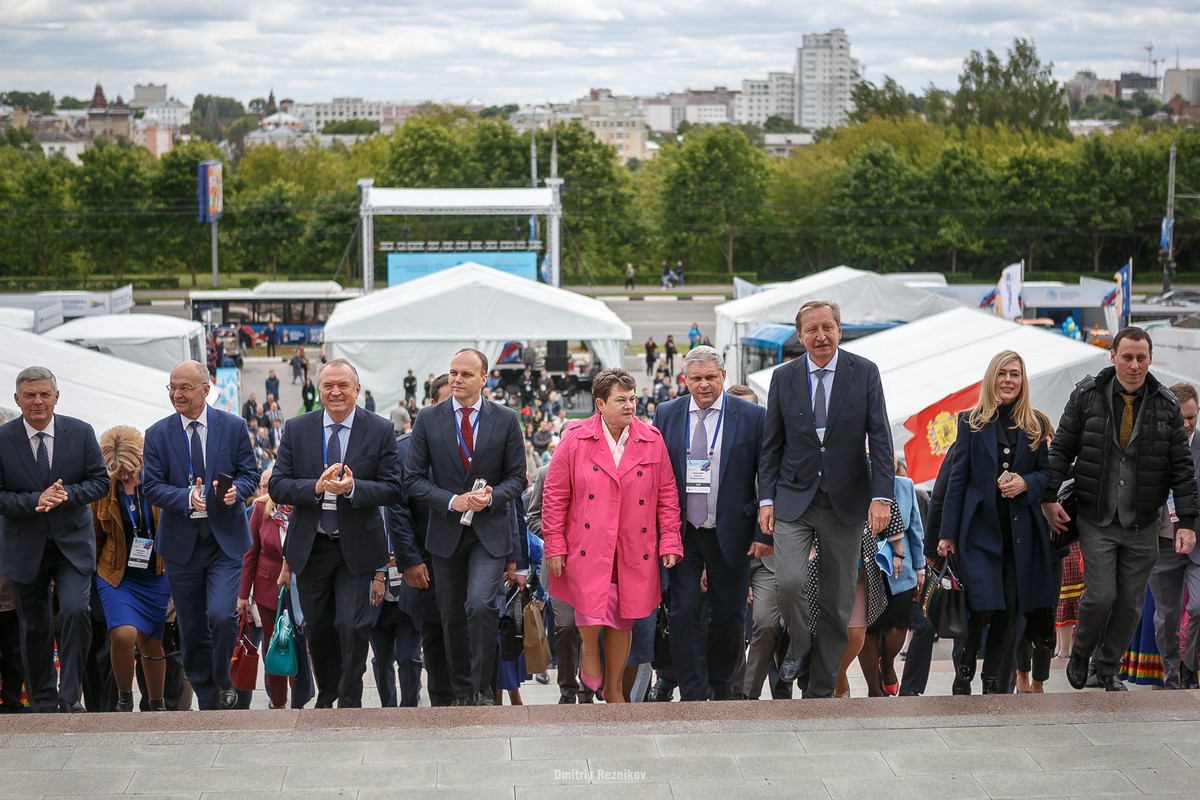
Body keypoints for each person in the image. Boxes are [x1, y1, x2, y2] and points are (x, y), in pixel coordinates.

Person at [1043, 326, 1199, 692]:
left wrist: (1187, 523)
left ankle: (1108, 667)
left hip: (1143, 521)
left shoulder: (1165, 405)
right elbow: (1062, 448)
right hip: (1097, 516)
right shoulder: (1086, 396)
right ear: (1112, 356)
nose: (1133, 365)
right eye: (1126, 357)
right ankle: (1082, 653)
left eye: (1140, 358)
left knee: (1130, 605)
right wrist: (1048, 498)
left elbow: (1181, 468)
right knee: (1100, 595)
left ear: (1149, 359)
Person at [760, 299, 894, 699]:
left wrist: (881, 496)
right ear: (799, 336)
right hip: (793, 498)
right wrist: (766, 499)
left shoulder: (864, 372)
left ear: (839, 329)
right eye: (811, 330)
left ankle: (819, 690)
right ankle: (799, 644)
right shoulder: (783, 378)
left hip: (846, 501)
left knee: (837, 603)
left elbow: (881, 439)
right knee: (789, 582)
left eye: (827, 327)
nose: (820, 336)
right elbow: (771, 446)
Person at [542, 368, 684, 703]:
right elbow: (554, 495)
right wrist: (555, 544)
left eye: (633, 399)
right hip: (589, 543)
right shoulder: (575, 438)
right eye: (621, 400)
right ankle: (589, 650)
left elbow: (667, 495)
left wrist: (670, 541)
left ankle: (615, 687)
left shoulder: (651, 439)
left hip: (635, 545)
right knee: (591, 606)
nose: (630, 406)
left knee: (624, 616)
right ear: (600, 404)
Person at [268, 359, 402, 708]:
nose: (336, 392)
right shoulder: (298, 428)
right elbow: (279, 485)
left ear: (357, 389)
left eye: (343, 385)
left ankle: (349, 695)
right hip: (311, 546)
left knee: (352, 624)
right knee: (319, 626)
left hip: (356, 545)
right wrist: (315, 486)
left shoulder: (379, 429)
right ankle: (327, 693)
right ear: (318, 390)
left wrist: (356, 488)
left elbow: (392, 487)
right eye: (328, 385)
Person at [403, 348, 527, 706]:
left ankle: (482, 688)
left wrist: (491, 496)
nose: (456, 379)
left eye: (465, 374)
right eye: (453, 372)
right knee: (452, 615)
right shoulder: (428, 418)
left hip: (488, 533)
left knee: (480, 605)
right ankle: (461, 692)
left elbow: (517, 479)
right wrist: (450, 500)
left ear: (484, 379)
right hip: (445, 533)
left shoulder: (504, 419)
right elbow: (411, 480)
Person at [654, 347, 770, 700]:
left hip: (731, 531)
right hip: (683, 532)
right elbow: (657, 473)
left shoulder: (752, 416)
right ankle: (690, 690)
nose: (703, 385)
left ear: (724, 377)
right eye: (696, 378)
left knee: (730, 614)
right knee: (683, 609)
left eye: (710, 377)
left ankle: (719, 684)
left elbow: (766, 477)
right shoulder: (667, 413)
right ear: (684, 380)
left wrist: (762, 532)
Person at [936, 351, 1055, 695]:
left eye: (1015, 374)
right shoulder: (970, 422)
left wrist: (1026, 483)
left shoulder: (1037, 424)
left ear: (1023, 380)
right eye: (1002, 373)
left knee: (1011, 609)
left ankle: (991, 678)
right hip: (978, 531)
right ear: (991, 379)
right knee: (983, 605)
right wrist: (946, 534)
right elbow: (956, 481)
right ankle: (967, 661)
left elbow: (1048, 474)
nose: (1008, 380)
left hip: (1020, 536)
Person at [143, 360, 259, 710]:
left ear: (205, 390)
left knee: (222, 616)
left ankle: (224, 677)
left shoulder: (234, 427)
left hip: (225, 542)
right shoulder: (157, 433)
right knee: (192, 627)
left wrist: (235, 491)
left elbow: (250, 474)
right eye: (172, 388)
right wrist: (185, 498)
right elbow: (151, 486)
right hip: (182, 547)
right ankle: (208, 697)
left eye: (185, 388)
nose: (177, 394)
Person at [0, 367, 110, 712]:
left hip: (71, 545)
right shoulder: (3, 439)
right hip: (24, 545)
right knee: (33, 624)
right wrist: (35, 500)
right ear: (17, 399)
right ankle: (45, 701)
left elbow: (100, 482)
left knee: (77, 611)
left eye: (44, 394)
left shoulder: (80, 432)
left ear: (56, 397)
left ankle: (70, 695)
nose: (38, 401)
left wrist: (65, 495)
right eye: (30, 395)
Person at [92, 426, 171, 712]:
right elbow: (95, 535)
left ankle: (156, 703)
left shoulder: (157, 482)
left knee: (152, 644)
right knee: (123, 634)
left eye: (129, 469)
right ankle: (124, 699)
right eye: (117, 470)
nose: (124, 475)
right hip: (116, 574)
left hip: (157, 574)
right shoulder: (104, 490)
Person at [389, 373, 455, 707]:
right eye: (447, 403)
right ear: (431, 405)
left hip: (471, 559)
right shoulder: (405, 449)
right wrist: (410, 560)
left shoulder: (479, 439)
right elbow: (397, 510)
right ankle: (444, 710)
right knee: (435, 642)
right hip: (427, 562)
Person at [1147, 382, 1200, 689]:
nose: (1188, 423)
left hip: (1197, 542)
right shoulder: (1153, 445)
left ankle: (1190, 664)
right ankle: (1172, 675)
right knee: (1165, 617)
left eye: (1193, 417)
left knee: (1196, 608)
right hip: (1162, 541)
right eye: (1182, 418)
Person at [859, 460, 926, 697]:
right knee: (866, 629)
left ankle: (887, 663)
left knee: (898, 626)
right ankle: (873, 690)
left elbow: (915, 531)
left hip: (900, 568)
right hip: (863, 565)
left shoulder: (905, 485)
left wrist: (920, 569)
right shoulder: (856, 482)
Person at [236, 469, 297, 709]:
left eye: (269, 485)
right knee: (275, 645)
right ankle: (279, 702)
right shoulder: (261, 510)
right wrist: (243, 595)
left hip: (299, 588)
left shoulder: (301, 505)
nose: (265, 490)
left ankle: (301, 699)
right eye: (262, 486)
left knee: (299, 644)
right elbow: (249, 555)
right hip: (267, 589)